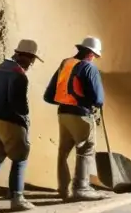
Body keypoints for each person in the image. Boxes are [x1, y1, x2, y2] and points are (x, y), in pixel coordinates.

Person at [0, 39, 43, 213]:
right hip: (12, 122)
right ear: (26, 56)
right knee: (20, 158)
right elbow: (19, 104)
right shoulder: (18, 74)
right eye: (32, 59)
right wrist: (23, 115)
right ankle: (17, 199)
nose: (32, 63)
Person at [43, 36, 107, 201]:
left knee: (63, 151)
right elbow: (98, 99)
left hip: (63, 114)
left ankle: (63, 189)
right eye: (95, 55)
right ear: (91, 53)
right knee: (86, 149)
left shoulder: (65, 64)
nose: (94, 58)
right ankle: (81, 188)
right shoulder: (88, 68)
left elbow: (49, 95)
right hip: (81, 115)